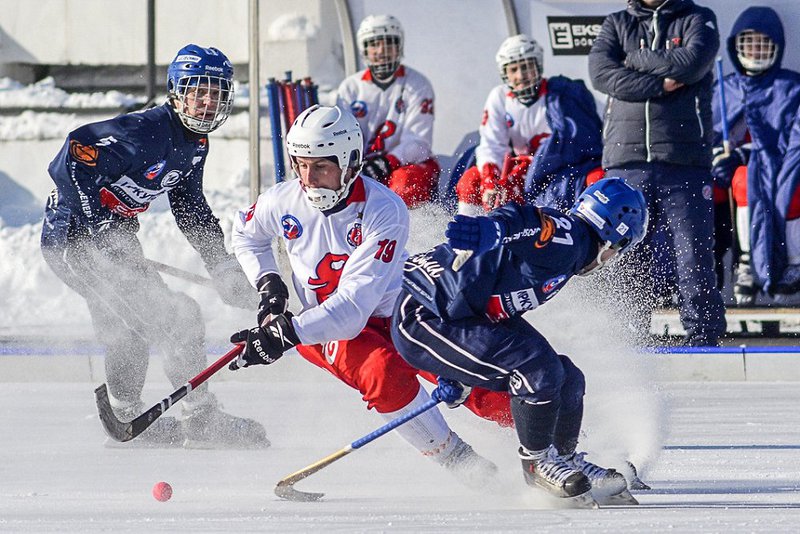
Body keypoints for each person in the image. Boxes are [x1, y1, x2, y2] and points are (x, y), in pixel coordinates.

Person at [227, 104, 512, 486]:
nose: (308, 179)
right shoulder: (282, 199)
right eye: (300, 164)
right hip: (326, 328)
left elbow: (353, 308)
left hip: (397, 312)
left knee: (479, 381)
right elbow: (246, 234)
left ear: (350, 163)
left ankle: (558, 448)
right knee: (383, 373)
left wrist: (282, 335)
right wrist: (270, 288)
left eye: (321, 167)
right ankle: (464, 463)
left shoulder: (384, 210)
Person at [40, 44, 267, 448]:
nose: (208, 101)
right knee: (155, 321)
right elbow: (73, 158)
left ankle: (172, 417)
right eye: (199, 90)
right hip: (74, 243)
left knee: (176, 317)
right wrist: (100, 230)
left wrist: (221, 265)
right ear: (176, 92)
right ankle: (142, 419)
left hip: (115, 243)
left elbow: (191, 207)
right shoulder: (144, 131)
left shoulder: (195, 144)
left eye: (217, 91)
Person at [390, 177, 647, 507]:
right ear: (614, 239)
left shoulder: (571, 247)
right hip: (423, 318)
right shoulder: (571, 240)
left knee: (567, 378)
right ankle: (538, 464)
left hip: (456, 317)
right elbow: (531, 222)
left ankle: (562, 458)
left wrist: (455, 370)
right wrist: (495, 229)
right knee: (537, 369)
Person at [588, 0, 726, 347]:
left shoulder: (698, 18)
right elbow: (602, 73)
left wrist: (633, 59)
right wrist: (659, 83)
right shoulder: (617, 22)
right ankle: (627, 336)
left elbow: (691, 64)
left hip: (684, 159)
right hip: (625, 158)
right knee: (622, 253)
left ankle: (703, 335)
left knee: (692, 253)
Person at [455, 34, 603, 215]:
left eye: (526, 67)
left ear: (538, 65)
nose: (520, 76)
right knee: (470, 179)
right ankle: (467, 234)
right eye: (513, 69)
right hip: (515, 172)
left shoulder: (561, 96)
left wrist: (534, 168)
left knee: (598, 179)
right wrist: (490, 182)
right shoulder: (499, 97)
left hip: (555, 171)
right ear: (504, 73)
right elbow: (491, 144)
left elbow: (580, 144)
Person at [711, 6, 800, 305]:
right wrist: (720, 158)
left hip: (781, 167)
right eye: (749, 43)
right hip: (740, 174)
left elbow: (791, 140)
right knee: (740, 180)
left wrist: (749, 156)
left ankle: (792, 260)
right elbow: (707, 137)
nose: (756, 50)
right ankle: (746, 261)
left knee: (786, 186)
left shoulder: (790, 88)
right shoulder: (726, 89)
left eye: (763, 44)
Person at [336, 14, 439, 209]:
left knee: (405, 184)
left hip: (404, 165)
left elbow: (420, 143)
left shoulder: (418, 84)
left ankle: (415, 237)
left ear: (399, 46)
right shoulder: (350, 88)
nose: (382, 51)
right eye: (374, 44)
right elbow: (341, 136)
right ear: (364, 48)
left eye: (389, 43)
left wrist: (385, 163)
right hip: (363, 167)